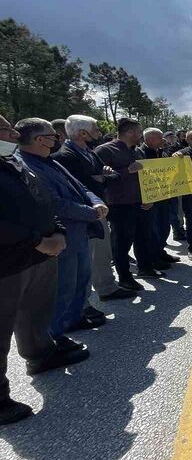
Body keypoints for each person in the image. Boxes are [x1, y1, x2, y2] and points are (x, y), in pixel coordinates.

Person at [0, 115, 89, 425]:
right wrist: (38, 240)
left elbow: (43, 201)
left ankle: (40, 355)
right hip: (9, 260)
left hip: (40, 255)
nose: (12, 133)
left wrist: (58, 231)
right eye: (5, 129)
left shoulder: (13, 162)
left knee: (35, 312)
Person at [16, 118, 108, 340]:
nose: (58, 139)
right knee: (63, 287)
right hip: (63, 234)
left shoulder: (49, 161)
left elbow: (81, 186)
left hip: (80, 232)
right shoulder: (27, 165)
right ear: (40, 140)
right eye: (53, 136)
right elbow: (55, 203)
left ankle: (74, 318)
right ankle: (55, 335)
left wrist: (95, 201)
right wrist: (91, 212)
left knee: (81, 280)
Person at [53, 115, 134, 314]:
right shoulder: (65, 157)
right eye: (95, 129)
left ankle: (107, 287)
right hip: (81, 214)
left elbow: (108, 175)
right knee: (84, 261)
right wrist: (102, 178)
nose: (99, 133)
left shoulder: (89, 152)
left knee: (102, 252)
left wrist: (102, 178)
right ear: (82, 133)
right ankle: (81, 305)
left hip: (98, 209)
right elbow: (82, 185)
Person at [94, 118, 158, 288]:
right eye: (139, 132)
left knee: (143, 236)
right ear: (130, 132)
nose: (140, 135)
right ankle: (125, 277)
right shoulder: (104, 151)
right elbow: (98, 179)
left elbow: (146, 178)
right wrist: (126, 170)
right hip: (119, 204)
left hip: (140, 202)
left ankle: (145, 267)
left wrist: (148, 197)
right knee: (122, 242)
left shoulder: (138, 152)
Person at [138, 128, 180, 266]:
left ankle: (160, 251)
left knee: (164, 227)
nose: (163, 140)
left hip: (164, 196)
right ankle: (152, 258)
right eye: (160, 138)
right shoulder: (140, 153)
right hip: (150, 198)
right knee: (152, 230)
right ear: (149, 139)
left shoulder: (161, 152)